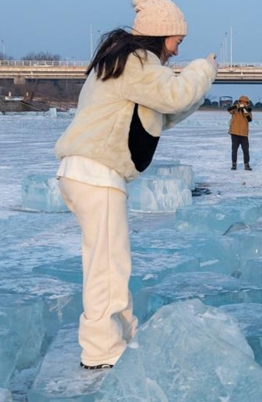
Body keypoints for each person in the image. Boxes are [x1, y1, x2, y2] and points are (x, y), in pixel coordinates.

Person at [54, 0, 217, 369]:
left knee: (112, 260)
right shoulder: (137, 63)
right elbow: (174, 94)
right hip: (96, 173)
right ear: (160, 35)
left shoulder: (125, 65)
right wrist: (203, 69)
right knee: (107, 265)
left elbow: (165, 110)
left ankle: (124, 333)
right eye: (177, 40)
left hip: (86, 173)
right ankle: (101, 350)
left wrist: (196, 85)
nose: (177, 49)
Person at [228, 95, 253, 170]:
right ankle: (234, 164)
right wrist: (238, 106)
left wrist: (244, 110)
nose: (244, 104)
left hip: (244, 134)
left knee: (245, 150)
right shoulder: (235, 109)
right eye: (242, 102)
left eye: (245, 103)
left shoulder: (248, 110)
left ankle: (246, 164)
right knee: (234, 150)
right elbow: (229, 110)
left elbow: (249, 119)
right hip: (235, 132)